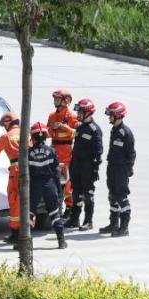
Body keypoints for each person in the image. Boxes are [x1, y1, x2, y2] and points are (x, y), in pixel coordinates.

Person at [64, 99, 103, 231]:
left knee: (88, 194)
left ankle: (88, 221)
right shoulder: (80, 127)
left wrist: (94, 169)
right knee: (76, 193)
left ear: (87, 113)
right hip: (77, 165)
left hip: (88, 167)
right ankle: (74, 219)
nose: (78, 114)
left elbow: (98, 152)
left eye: (80, 111)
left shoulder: (94, 130)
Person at [27, 121, 67, 249]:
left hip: (34, 185)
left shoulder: (28, 153)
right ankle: (61, 241)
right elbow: (56, 173)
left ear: (32, 137)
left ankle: (24, 243)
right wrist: (59, 193)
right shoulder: (51, 151)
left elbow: (26, 173)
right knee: (54, 213)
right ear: (45, 136)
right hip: (50, 184)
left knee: (29, 213)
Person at [99, 102, 135, 237]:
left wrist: (128, 170)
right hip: (112, 167)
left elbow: (131, 153)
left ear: (118, 115)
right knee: (112, 196)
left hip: (121, 169)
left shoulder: (125, 132)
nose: (109, 117)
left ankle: (124, 227)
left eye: (111, 115)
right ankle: (113, 224)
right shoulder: (114, 130)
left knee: (121, 197)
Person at [0, 112, 22, 243]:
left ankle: (16, 233)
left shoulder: (6, 137)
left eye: (4, 125)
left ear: (8, 123)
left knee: (14, 201)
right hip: (31, 170)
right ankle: (26, 231)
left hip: (16, 172)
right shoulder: (27, 133)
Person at [48, 88, 78, 210]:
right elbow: (47, 133)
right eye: (54, 98)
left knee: (67, 182)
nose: (55, 101)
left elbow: (78, 133)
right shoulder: (52, 116)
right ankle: (57, 206)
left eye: (57, 98)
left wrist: (67, 128)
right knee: (54, 180)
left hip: (67, 152)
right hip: (54, 150)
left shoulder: (72, 116)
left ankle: (70, 208)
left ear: (66, 101)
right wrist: (53, 128)